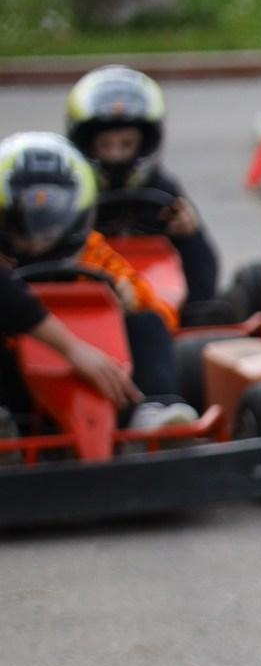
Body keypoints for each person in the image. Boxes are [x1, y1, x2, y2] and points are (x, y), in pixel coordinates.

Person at [0, 131, 194, 436]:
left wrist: (128, 300)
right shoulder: (4, 263)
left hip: (103, 369)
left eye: (51, 218)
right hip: (23, 384)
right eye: (25, 221)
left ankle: (152, 411)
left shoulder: (93, 252)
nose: (39, 235)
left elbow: (156, 307)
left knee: (147, 323)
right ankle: (9, 422)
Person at [66, 66, 221, 312]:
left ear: (146, 141)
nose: (115, 155)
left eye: (126, 144)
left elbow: (204, 271)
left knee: (211, 306)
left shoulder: (163, 189)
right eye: (105, 145)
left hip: (159, 299)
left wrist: (189, 235)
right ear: (86, 144)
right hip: (89, 296)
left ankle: (192, 320)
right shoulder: (71, 194)